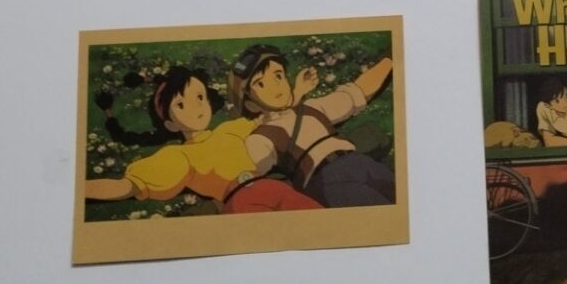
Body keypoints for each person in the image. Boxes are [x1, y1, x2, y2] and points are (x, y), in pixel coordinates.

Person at [85, 65, 320, 213]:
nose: (195, 106)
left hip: (273, 188)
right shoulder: (179, 156)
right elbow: (126, 186)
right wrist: (75, 190)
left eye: (199, 97)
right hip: (241, 201)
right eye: (180, 105)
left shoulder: (230, 129)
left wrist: (299, 90)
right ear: (170, 124)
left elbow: (273, 114)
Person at [230, 46, 397, 206]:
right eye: (260, 84)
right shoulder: (259, 138)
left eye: (278, 76)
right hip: (327, 181)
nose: (275, 86)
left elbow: (356, 93)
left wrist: (390, 59)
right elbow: (257, 180)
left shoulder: (312, 107)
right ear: (251, 104)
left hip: (360, 162)